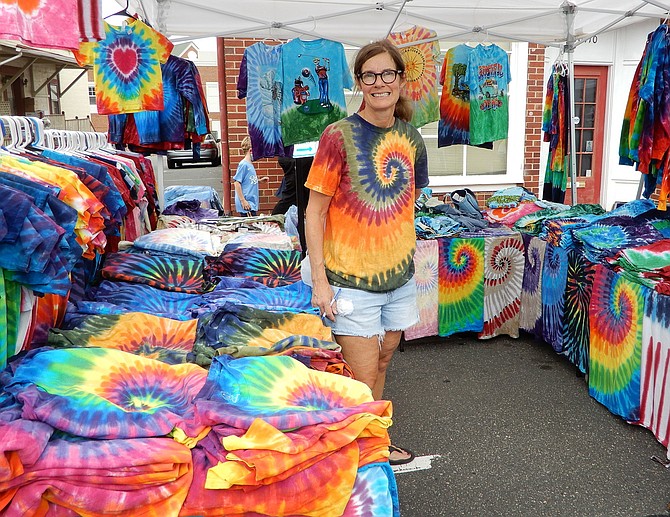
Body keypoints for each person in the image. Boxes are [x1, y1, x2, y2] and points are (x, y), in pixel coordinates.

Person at [304, 39, 429, 466]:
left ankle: (371, 439)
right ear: (359, 83)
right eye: (370, 75)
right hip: (349, 280)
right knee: (360, 372)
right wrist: (320, 282)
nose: (380, 83)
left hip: (398, 276)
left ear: (400, 79)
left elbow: (408, 203)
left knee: (384, 356)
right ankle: (363, 447)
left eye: (387, 74)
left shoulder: (411, 138)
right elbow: (314, 214)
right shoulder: (337, 137)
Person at [233, 136, 268, 216]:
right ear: (251, 150)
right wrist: (243, 201)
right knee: (249, 226)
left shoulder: (250, 165)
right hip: (246, 204)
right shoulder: (243, 165)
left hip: (251, 203)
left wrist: (259, 181)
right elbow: (237, 183)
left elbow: (247, 180)